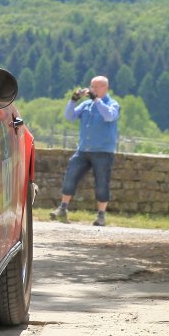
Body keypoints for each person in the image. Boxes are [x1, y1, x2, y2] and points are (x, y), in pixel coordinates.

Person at [53, 75, 121, 226]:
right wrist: (73, 100)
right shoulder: (86, 105)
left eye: (97, 87)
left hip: (103, 151)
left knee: (102, 182)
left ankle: (101, 216)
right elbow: (69, 116)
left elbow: (109, 116)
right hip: (83, 150)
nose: (93, 89)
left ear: (105, 88)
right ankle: (62, 208)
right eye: (92, 86)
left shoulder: (113, 104)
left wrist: (97, 100)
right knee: (70, 175)